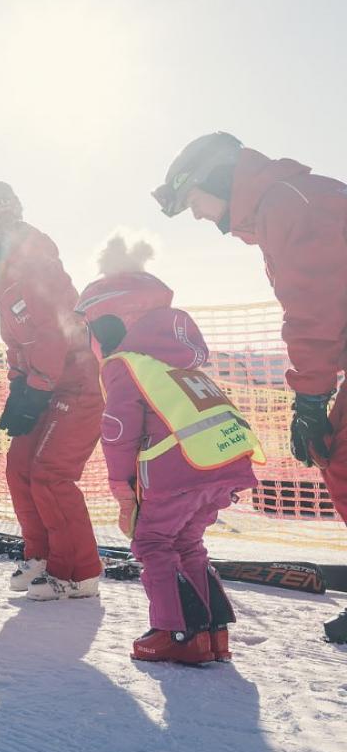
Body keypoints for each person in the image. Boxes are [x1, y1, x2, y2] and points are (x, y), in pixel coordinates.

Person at [153, 133, 347, 640]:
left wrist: (310, 397)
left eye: (195, 201)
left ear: (217, 180)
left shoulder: (289, 205)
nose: (197, 216)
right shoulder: (288, 201)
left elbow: (315, 308)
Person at [77, 237, 262, 663]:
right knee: (188, 542)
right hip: (221, 467)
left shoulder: (125, 364)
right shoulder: (179, 365)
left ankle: (175, 632)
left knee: (153, 543)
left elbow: (119, 429)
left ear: (111, 323)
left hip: (176, 473)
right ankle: (212, 631)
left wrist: (122, 489)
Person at [0, 182, 104, 601]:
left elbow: (54, 329)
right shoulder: (3, 275)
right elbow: (21, 339)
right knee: (19, 468)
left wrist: (36, 387)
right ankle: (42, 557)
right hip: (44, 382)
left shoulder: (35, 263)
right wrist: (20, 383)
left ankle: (77, 572)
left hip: (75, 382)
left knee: (50, 474)